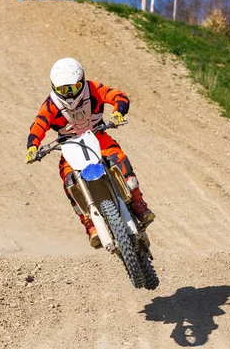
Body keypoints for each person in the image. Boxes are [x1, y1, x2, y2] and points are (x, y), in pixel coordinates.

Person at [25, 58, 156, 248]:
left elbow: (118, 96)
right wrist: (32, 146)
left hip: (97, 136)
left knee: (118, 158)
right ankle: (90, 225)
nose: (69, 94)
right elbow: (39, 124)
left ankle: (138, 203)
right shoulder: (51, 104)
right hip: (69, 145)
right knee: (68, 179)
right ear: (54, 87)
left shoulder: (93, 89)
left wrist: (118, 112)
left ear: (82, 81)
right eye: (63, 90)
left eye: (73, 87)